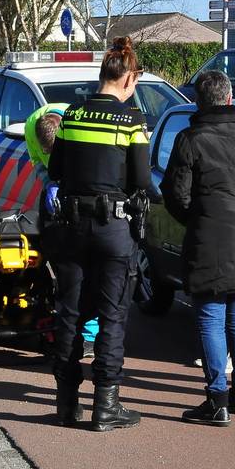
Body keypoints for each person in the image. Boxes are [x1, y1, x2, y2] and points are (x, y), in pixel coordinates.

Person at [163, 70, 235, 426]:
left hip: (211, 239)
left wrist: (199, 219)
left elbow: (175, 194)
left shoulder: (189, 139)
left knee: (211, 317)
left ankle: (217, 399)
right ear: (230, 100)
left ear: (197, 102)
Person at [47, 36, 152, 431]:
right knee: (112, 316)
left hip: (72, 227)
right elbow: (141, 178)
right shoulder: (133, 121)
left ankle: (66, 402)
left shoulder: (72, 114)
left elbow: (56, 171)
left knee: (70, 313)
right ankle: (105, 405)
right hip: (113, 228)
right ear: (128, 80)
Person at [24, 101, 100, 358]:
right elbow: (36, 160)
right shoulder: (30, 125)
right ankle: (66, 317)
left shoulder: (79, 122)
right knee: (57, 257)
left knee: (85, 265)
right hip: (55, 191)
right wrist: (48, 183)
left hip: (81, 191)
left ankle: (89, 332)